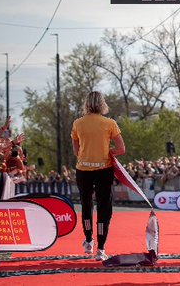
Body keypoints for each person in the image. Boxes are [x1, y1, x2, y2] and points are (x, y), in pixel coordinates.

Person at [71, 91, 125, 261]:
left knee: (86, 205)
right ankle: (101, 249)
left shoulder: (78, 123)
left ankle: (88, 241)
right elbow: (121, 149)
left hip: (83, 169)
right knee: (104, 208)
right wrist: (108, 152)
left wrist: (86, 156)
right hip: (103, 168)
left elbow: (76, 150)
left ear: (86, 104)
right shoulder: (109, 123)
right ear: (102, 104)